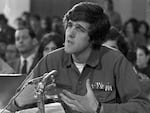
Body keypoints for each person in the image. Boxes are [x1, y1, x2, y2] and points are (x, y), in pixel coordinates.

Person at [6, 2, 150, 113]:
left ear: (94, 38)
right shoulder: (51, 61)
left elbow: (143, 107)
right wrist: (19, 101)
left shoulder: (114, 61)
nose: (70, 33)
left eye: (80, 29)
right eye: (69, 25)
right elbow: (10, 107)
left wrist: (99, 109)